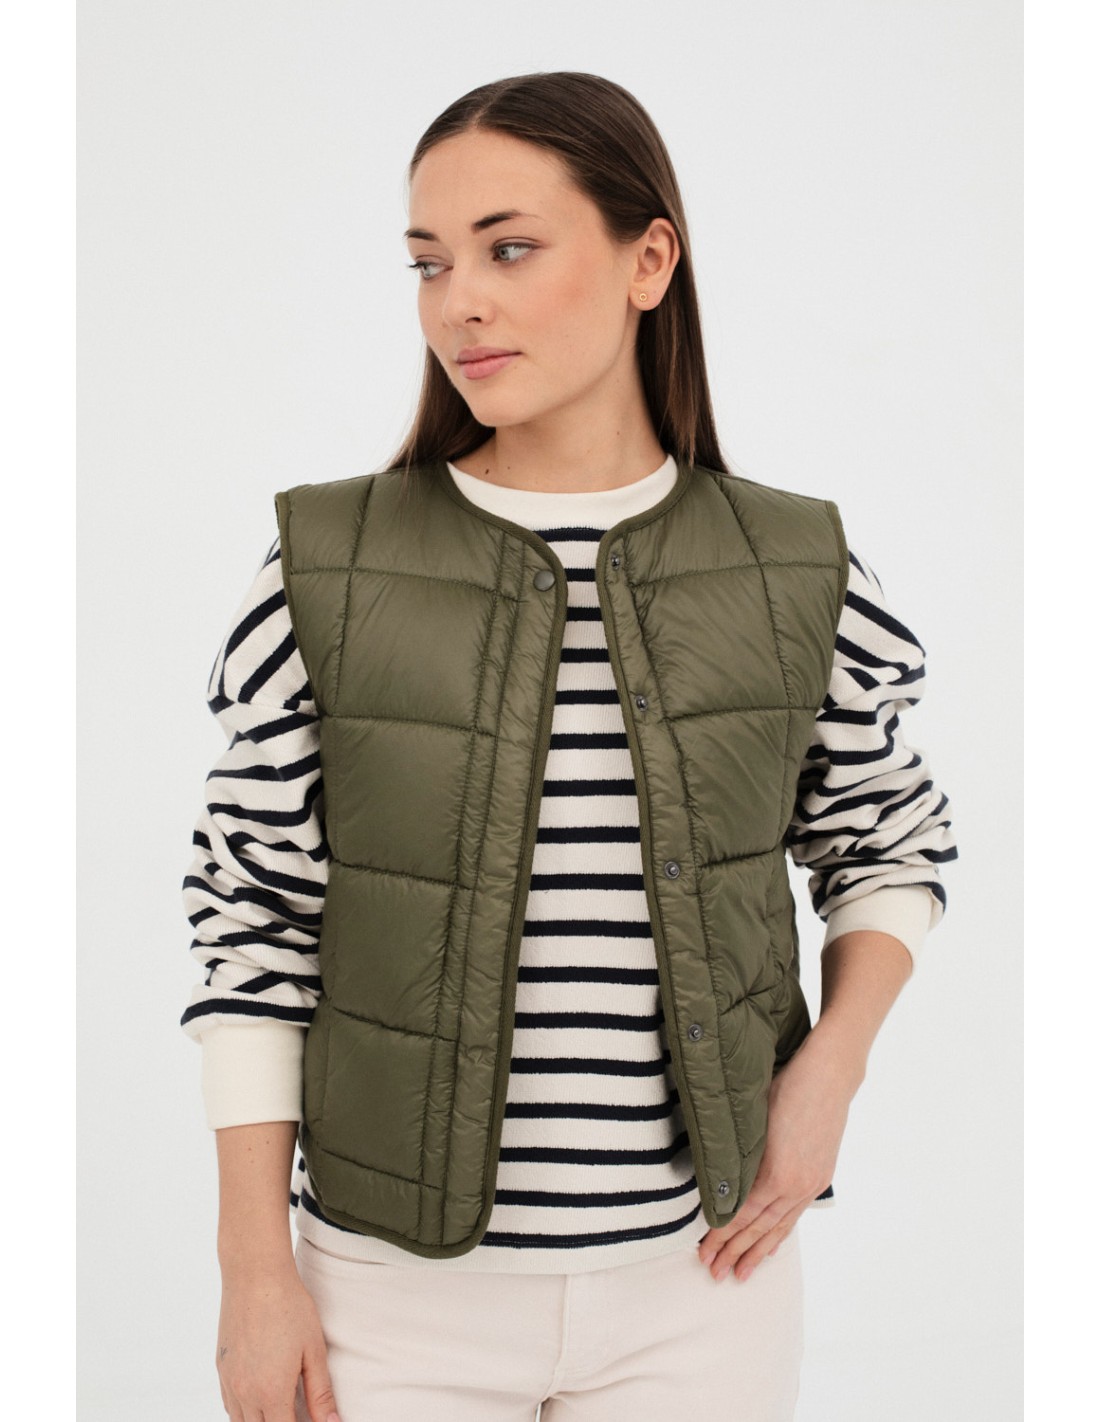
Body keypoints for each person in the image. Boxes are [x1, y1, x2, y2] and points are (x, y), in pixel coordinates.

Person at [180, 70, 958, 1422]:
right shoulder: (330, 564)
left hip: (706, 1282)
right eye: (429, 263)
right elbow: (253, 922)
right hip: (389, 1298)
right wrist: (254, 1269)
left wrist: (830, 1069)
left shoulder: (794, 566)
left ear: (650, 260)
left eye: (509, 249)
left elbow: (888, 842)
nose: (457, 304)